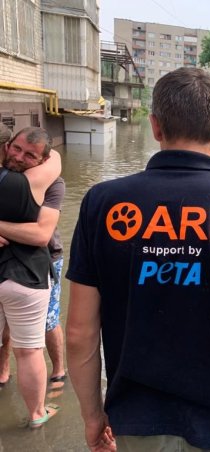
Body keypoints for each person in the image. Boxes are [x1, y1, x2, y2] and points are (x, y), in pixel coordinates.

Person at [66, 67, 210, 452]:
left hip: (137, 420)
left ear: (155, 127)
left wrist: (93, 416)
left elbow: (79, 333)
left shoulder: (102, 203)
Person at [0, 125, 62, 427]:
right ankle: (37, 414)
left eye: (30, 155)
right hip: (27, 276)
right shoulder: (44, 181)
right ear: (6, 144)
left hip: (21, 277)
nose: (20, 157)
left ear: (41, 160)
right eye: (16, 149)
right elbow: (40, 235)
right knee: (29, 351)